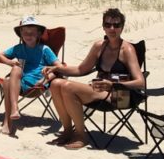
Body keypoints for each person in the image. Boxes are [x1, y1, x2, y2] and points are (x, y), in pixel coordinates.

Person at [46, 8, 145, 150]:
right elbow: (81, 69)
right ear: (103, 27)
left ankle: (81, 135)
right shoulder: (99, 46)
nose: (112, 29)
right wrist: (58, 68)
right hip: (100, 91)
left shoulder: (127, 50)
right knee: (55, 83)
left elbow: (140, 82)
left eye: (116, 25)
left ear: (122, 27)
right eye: (108, 25)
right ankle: (68, 131)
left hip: (121, 95)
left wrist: (112, 84)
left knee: (67, 87)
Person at [0, 16, 58, 136]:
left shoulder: (44, 49)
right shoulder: (18, 48)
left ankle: (8, 120)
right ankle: (12, 114)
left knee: (9, 79)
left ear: (39, 34)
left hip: (35, 84)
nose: (28, 35)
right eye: (25, 33)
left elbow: (59, 67)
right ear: (21, 34)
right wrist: (10, 62)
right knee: (12, 73)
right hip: (19, 82)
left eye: (32, 33)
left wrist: (45, 79)